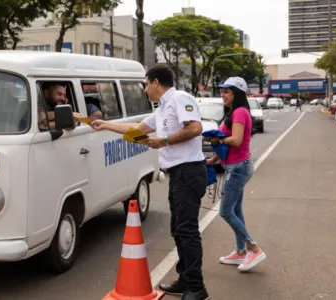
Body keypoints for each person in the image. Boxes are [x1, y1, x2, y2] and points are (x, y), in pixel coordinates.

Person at [91, 65, 209, 300]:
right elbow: (137, 130)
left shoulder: (179, 98)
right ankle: (185, 279)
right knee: (178, 229)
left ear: (156, 82)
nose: (145, 90)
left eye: (146, 84)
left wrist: (164, 140)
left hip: (189, 171)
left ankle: (196, 287)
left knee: (187, 230)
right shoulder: (163, 108)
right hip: (178, 174)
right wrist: (104, 125)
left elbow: (195, 128)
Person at [206, 77, 267, 272]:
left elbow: (237, 140)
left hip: (238, 168)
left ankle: (253, 248)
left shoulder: (240, 112)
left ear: (237, 94)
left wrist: (218, 140)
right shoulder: (234, 112)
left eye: (227, 92)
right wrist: (214, 160)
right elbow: (228, 140)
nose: (222, 95)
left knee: (225, 211)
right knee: (236, 211)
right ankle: (241, 251)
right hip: (234, 165)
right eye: (222, 91)